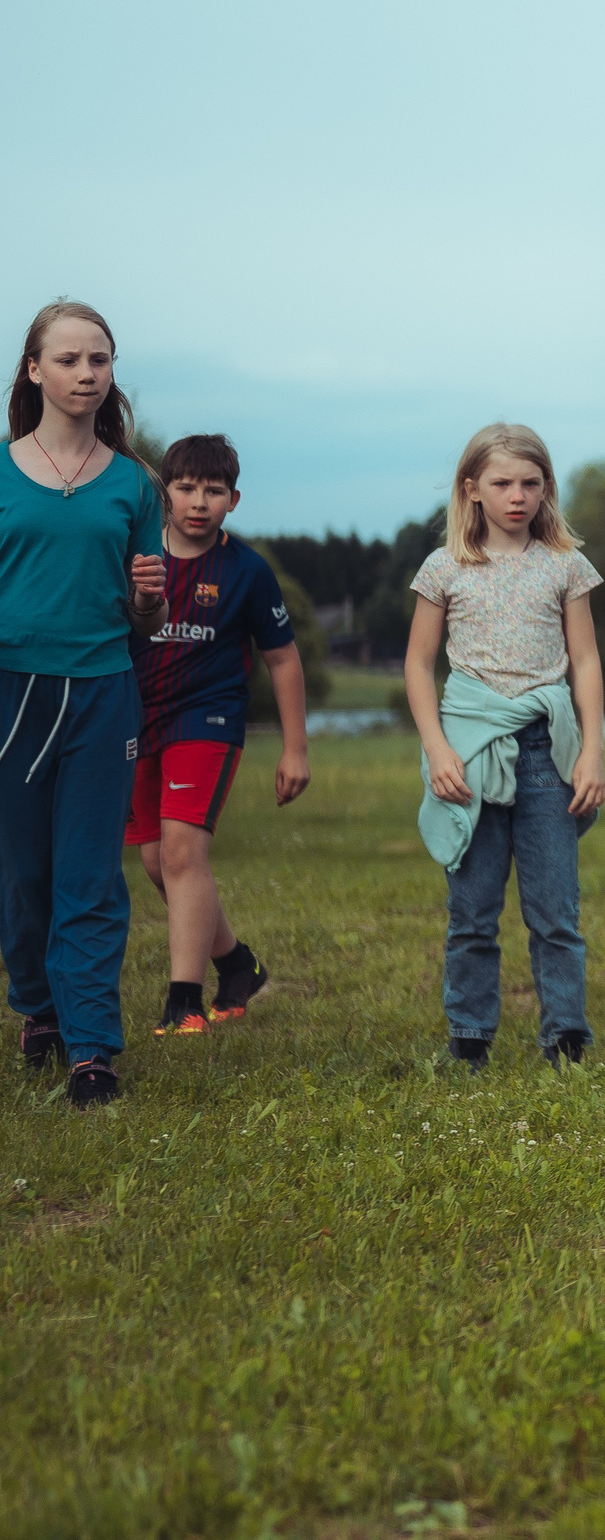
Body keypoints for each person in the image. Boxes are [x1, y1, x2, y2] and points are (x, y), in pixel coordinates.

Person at [2, 301, 168, 1108]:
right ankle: (37, 1006)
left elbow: (148, 618)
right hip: (12, 693)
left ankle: (93, 1047)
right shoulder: (1, 472)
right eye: (68, 359)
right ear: (34, 369)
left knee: (92, 876)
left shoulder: (136, 483)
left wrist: (149, 599)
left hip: (104, 692)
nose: (85, 374)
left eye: (98, 360)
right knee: (26, 872)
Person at [405, 424, 605, 1071]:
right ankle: (469, 1038)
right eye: (501, 483)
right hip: (470, 747)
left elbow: (586, 660)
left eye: (529, 482)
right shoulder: (444, 568)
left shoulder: (567, 565)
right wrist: (437, 749)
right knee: (473, 909)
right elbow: (417, 663)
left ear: (546, 487)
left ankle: (566, 1037)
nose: (516, 496)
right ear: (472, 489)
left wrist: (592, 751)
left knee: (555, 910)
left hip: (548, 747)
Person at [128, 433, 310, 1036]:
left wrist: (294, 748)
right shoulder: (138, 557)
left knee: (184, 853)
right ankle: (237, 963)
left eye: (213, 491)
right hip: (137, 718)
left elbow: (282, 659)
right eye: (186, 488)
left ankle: (185, 1001)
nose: (198, 502)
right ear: (166, 494)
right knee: (157, 863)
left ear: (234, 499)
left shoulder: (248, 571)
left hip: (207, 720)